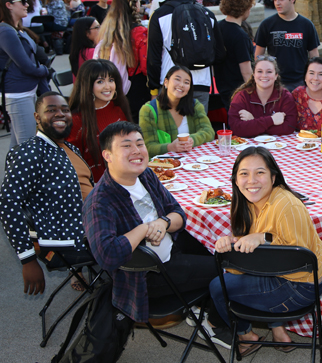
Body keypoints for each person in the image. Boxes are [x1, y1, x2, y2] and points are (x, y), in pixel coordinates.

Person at [83, 121, 221, 329]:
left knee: (222, 248)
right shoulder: (99, 202)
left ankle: (203, 307)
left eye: (140, 144)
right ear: (107, 156)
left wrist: (163, 222)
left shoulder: (145, 175)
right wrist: (143, 229)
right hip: (147, 276)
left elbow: (178, 214)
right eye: (127, 145)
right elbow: (107, 256)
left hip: (173, 248)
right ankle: (214, 325)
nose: (136, 151)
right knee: (226, 269)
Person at [210, 146, 322, 355]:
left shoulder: (287, 205)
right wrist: (231, 245)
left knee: (218, 288)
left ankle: (246, 336)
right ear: (235, 180)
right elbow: (248, 262)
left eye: (260, 172)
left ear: (273, 178)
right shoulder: (246, 202)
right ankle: (278, 329)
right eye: (244, 174)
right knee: (240, 275)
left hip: (302, 284)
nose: (251, 181)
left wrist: (263, 238)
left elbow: (297, 260)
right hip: (286, 271)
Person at [0, 92, 94, 296]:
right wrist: (27, 259)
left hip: (92, 224)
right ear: (37, 117)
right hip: (70, 242)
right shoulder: (28, 153)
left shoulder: (69, 147)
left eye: (64, 110)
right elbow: (8, 204)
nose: (60, 114)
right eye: (51, 110)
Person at [147, 0, 225, 113]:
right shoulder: (207, 14)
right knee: (199, 127)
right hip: (201, 83)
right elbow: (219, 53)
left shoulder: (159, 15)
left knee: (170, 127)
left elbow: (153, 58)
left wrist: (153, 88)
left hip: (171, 83)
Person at [0, 0, 51, 147]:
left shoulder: (16, 29)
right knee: (27, 146)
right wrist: (45, 70)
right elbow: (27, 66)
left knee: (19, 146)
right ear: (9, 5)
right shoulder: (6, 31)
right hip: (18, 95)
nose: (27, 5)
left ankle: (13, 166)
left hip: (26, 91)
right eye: (22, 1)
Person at [68, 59, 132, 181]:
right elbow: (72, 162)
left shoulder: (118, 109)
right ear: (87, 85)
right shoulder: (76, 120)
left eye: (111, 80)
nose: (107, 86)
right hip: (96, 185)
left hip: (126, 177)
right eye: (100, 81)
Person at [94, 0, 148, 123]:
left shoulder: (108, 30)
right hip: (137, 88)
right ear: (135, 4)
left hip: (115, 86)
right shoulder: (139, 33)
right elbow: (146, 67)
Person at [254, 0, 320, 91]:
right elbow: (258, 56)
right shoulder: (267, 25)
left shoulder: (306, 25)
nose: (277, 3)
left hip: (300, 82)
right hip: (274, 82)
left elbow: (314, 57)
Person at [139, 65, 214, 158]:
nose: (181, 85)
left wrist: (192, 140)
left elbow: (209, 132)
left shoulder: (195, 105)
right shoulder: (149, 110)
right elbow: (148, 147)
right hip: (164, 164)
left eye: (186, 82)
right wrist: (170, 147)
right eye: (177, 79)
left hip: (193, 161)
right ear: (166, 82)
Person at [228, 57, 297, 137]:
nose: (264, 75)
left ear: (276, 76)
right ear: (254, 75)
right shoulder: (241, 97)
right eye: (260, 71)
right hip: (248, 144)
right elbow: (237, 129)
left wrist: (253, 121)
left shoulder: (285, 96)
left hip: (279, 144)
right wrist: (271, 120)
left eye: (269, 72)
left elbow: (289, 127)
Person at [216, 0, 256, 109]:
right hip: (239, 90)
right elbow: (246, 71)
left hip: (222, 85)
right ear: (244, 8)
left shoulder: (218, 27)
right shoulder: (240, 36)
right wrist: (254, 93)